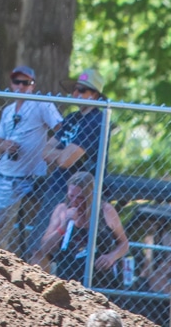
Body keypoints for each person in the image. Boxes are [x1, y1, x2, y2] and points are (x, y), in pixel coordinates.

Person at [0, 65, 62, 253]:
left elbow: (61, 129)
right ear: (11, 83)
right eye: (17, 82)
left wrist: (48, 150)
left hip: (20, 178)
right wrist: (5, 145)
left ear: (33, 85)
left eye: (26, 83)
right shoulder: (8, 111)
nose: (21, 87)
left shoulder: (42, 104)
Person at [27, 68, 109, 260]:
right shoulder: (72, 119)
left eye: (82, 90)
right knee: (40, 246)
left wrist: (61, 154)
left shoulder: (97, 121)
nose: (75, 94)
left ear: (95, 96)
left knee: (63, 253)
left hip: (78, 194)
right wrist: (63, 153)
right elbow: (45, 152)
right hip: (56, 188)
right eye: (75, 90)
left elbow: (66, 161)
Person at [32, 170, 129, 285]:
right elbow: (45, 247)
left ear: (91, 195)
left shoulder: (106, 210)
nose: (74, 202)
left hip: (101, 281)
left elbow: (124, 243)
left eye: (80, 198)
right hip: (68, 280)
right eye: (71, 196)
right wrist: (64, 225)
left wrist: (111, 257)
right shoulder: (62, 210)